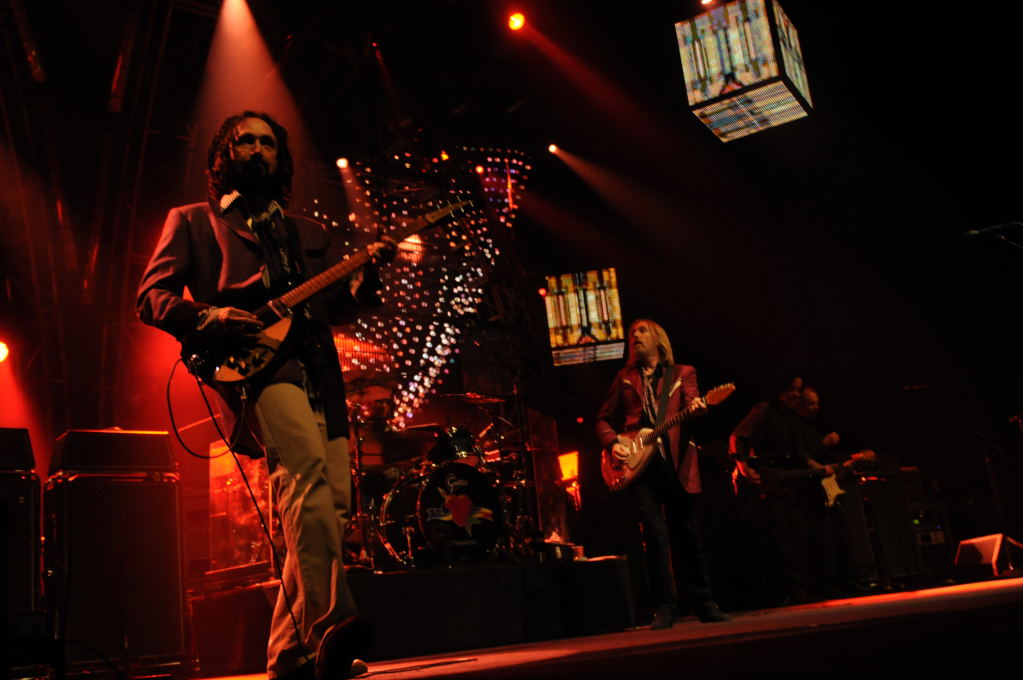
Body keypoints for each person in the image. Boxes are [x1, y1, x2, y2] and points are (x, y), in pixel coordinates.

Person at [137, 111, 395, 680]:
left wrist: (366, 278)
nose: (257, 149)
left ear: (281, 157)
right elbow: (151, 296)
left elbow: (336, 307)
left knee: (334, 503)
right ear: (222, 156)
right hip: (259, 369)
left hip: (319, 368)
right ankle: (332, 626)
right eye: (245, 141)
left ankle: (289, 652)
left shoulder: (307, 232)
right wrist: (209, 316)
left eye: (267, 143)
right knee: (305, 479)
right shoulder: (192, 221)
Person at [596, 319, 729, 628]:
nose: (635, 336)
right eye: (632, 333)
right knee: (654, 536)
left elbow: (692, 404)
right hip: (639, 465)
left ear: (658, 339)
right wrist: (613, 443)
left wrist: (700, 407)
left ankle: (704, 603)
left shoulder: (681, 373)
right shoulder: (624, 377)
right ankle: (665, 606)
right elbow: (602, 418)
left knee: (687, 534)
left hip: (675, 462)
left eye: (641, 331)